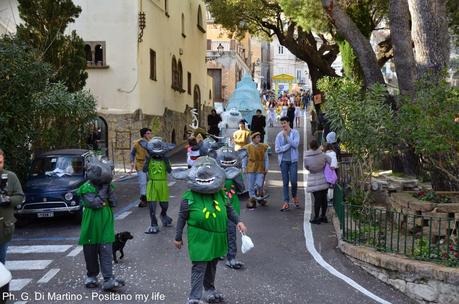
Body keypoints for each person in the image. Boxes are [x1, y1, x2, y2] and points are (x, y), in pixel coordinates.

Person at [173, 157, 247, 304]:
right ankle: (194, 297)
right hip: (199, 236)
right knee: (199, 266)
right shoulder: (188, 197)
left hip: (217, 236)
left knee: (212, 264)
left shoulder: (220, 194)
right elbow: (182, 217)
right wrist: (178, 237)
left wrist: (238, 221)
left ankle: (210, 290)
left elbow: (229, 209)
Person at [78, 157, 125, 291]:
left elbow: (114, 202)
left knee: (106, 250)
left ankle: (108, 278)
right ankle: (91, 276)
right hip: (91, 223)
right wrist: (104, 193)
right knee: (90, 250)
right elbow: (95, 203)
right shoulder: (86, 188)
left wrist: (109, 190)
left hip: (105, 223)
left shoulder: (107, 186)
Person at [143, 138, 175, 234]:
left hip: (162, 184)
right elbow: (144, 170)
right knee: (152, 206)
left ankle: (163, 214)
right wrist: (147, 161)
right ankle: (153, 224)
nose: (157, 154)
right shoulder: (149, 160)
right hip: (152, 183)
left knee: (164, 205)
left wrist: (166, 161)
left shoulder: (165, 160)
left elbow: (169, 171)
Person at [0, 149, 24, 264]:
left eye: (0, 162)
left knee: (1, 263)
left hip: (4, 228)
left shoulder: (10, 176)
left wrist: (9, 200)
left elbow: (20, 197)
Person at [275, 117, 301, 211]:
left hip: (293, 161)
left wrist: (287, 137)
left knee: (294, 181)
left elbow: (296, 145)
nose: (283, 125)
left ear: (289, 123)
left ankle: (294, 196)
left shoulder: (295, 133)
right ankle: (286, 201)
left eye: (284, 123)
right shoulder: (279, 135)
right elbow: (277, 149)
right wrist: (287, 146)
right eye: (282, 123)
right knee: (285, 182)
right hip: (283, 161)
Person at [304, 139, 331, 224]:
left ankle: (316, 217)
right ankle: (323, 216)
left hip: (313, 179)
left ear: (310, 146)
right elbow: (330, 161)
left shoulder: (306, 157)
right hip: (323, 178)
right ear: (318, 146)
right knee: (324, 199)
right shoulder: (323, 155)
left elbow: (307, 167)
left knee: (317, 199)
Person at [242, 132, 269, 209]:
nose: (259, 139)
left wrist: (266, 167)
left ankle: (260, 197)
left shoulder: (263, 146)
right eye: (257, 137)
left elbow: (266, 158)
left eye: (259, 138)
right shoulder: (247, 147)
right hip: (251, 167)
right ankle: (252, 201)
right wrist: (244, 167)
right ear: (253, 138)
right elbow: (244, 158)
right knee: (250, 185)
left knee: (259, 184)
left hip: (260, 167)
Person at [130, 128, 152, 207]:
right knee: (143, 182)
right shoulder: (137, 143)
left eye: (150, 133)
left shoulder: (151, 143)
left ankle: (150, 197)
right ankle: (143, 199)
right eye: (148, 133)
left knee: (150, 182)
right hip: (140, 164)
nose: (150, 135)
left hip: (150, 165)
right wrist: (132, 162)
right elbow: (132, 153)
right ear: (144, 134)